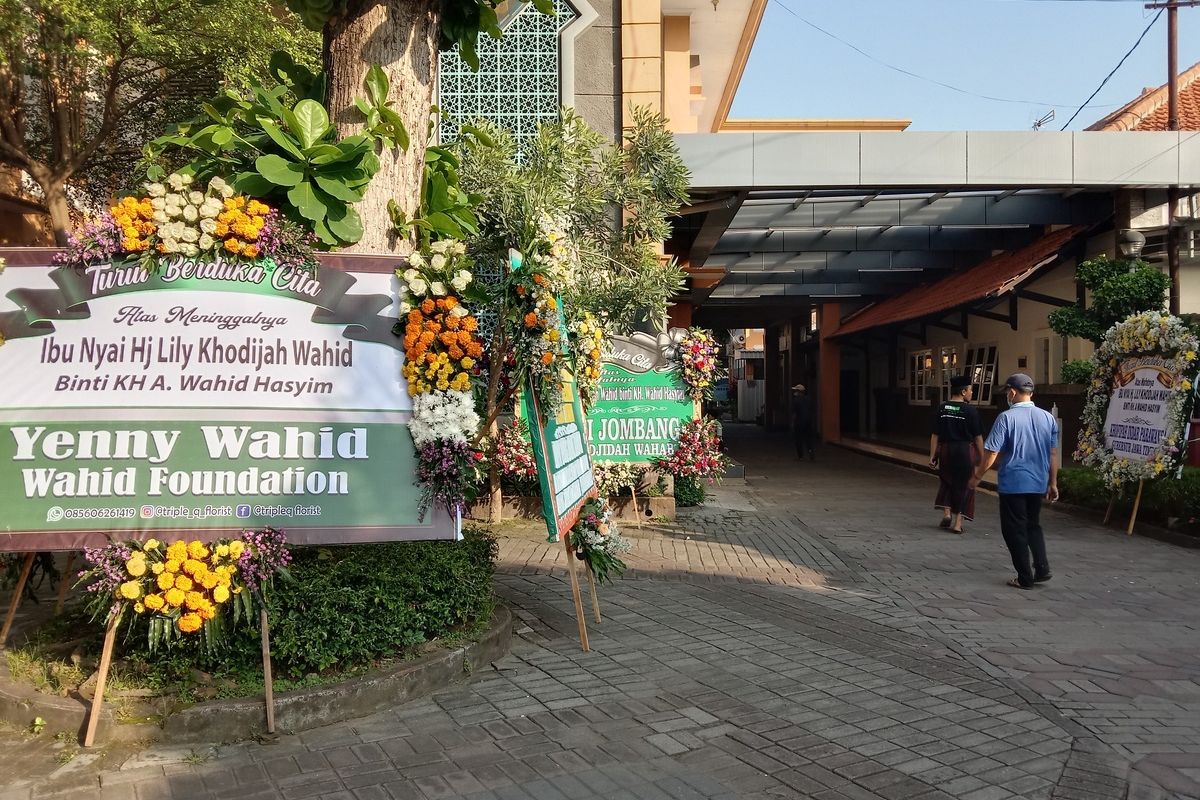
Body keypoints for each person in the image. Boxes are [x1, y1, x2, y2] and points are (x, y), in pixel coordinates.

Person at [970, 373, 1059, 590]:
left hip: (1014, 483)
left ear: (1012, 392)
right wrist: (1053, 483)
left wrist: (977, 476)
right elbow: (1053, 454)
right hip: (1038, 482)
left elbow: (992, 452)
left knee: (1014, 530)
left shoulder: (1006, 418)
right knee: (1033, 525)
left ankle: (1024, 577)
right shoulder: (1048, 418)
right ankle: (1042, 568)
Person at [929, 374, 983, 534]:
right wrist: (982, 456)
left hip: (946, 450)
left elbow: (935, 435)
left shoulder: (942, 408)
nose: (971, 393)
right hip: (965, 451)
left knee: (947, 481)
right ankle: (958, 524)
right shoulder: (971, 411)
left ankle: (947, 513)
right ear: (963, 392)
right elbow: (978, 437)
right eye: (970, 390)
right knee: (965, 486)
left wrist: (932, 456)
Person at [791, 384, 815, 461]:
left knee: (798, 439)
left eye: (796, 390)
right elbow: (812, 410)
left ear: (799, 391)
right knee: (808, 438)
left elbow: (795, 413)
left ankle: (800, 456)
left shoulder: (796, 400)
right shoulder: (809, 399)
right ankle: (810, 451)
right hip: (808, 421)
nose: (795, 392)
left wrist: (792, 423)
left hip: (799, 422)